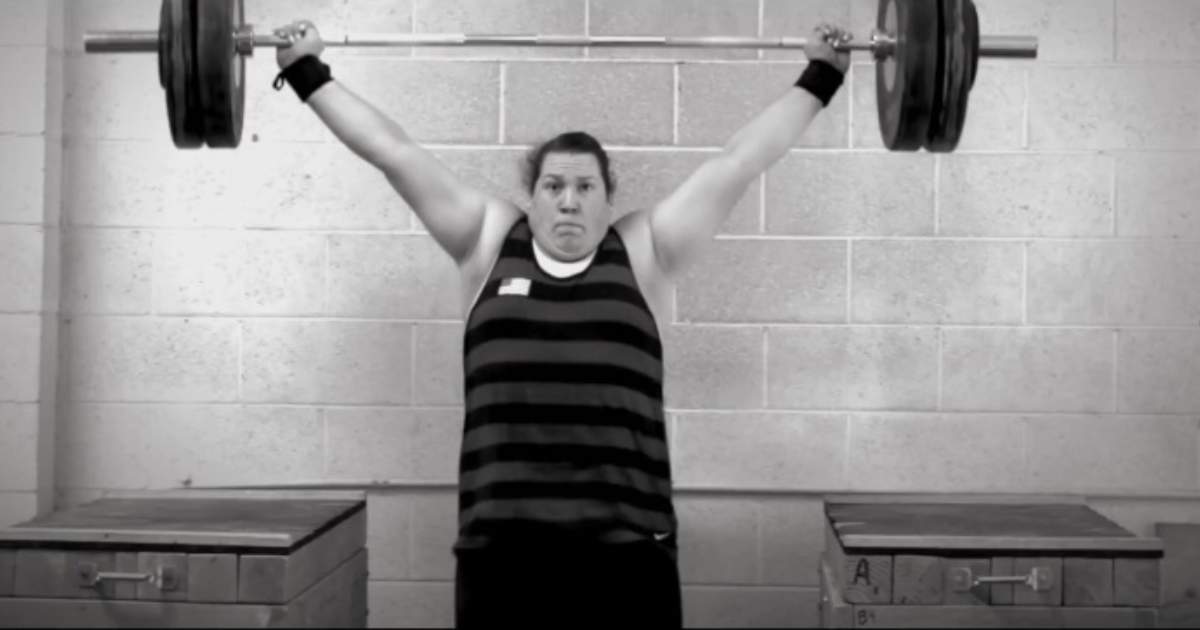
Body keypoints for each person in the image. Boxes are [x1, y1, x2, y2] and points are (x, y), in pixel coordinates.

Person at [271, 20, 851, 629]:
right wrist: (308, 71)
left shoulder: (645, 250)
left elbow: (739, 162)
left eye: (584, 186)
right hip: (501, 557)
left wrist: (821, 75)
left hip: (627, 557)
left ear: (607, 198)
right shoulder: (487, 240)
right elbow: (394, 152)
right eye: (553, 185)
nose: (569, 200)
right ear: (533, 195)